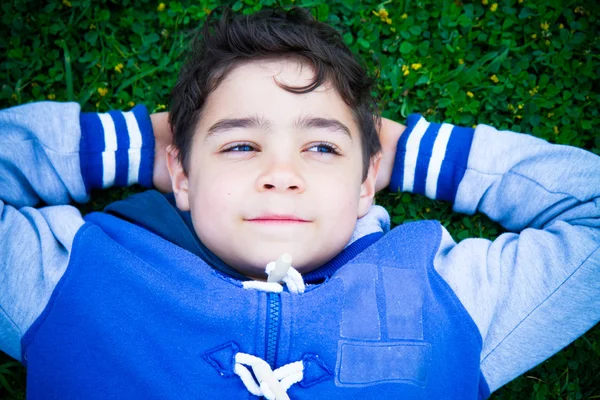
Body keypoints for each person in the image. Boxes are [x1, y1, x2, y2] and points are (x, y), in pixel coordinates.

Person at [1, 7, 598, 400]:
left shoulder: (452, 297)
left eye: (321, 146)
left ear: (369, 180)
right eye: (239, 144)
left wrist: (412, 150)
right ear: (178, 173)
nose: (281, 175)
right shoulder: (75, 278)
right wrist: (131, 146)